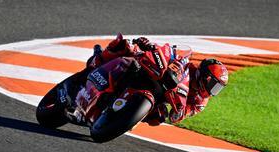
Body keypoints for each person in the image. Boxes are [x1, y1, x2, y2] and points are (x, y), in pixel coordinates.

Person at [83, 33, 228, 125]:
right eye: (214, 85)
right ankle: (99, 59)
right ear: (206, 77)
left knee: (159, 117)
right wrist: (151, 47)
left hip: (160, 97)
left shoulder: (200, 102)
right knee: (128, 48)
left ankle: (123, 118)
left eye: (217, 88)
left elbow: (176, 117)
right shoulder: (188, 66)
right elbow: (170, 53)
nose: (213, 90)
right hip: (156, 77)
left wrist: (178, 110)